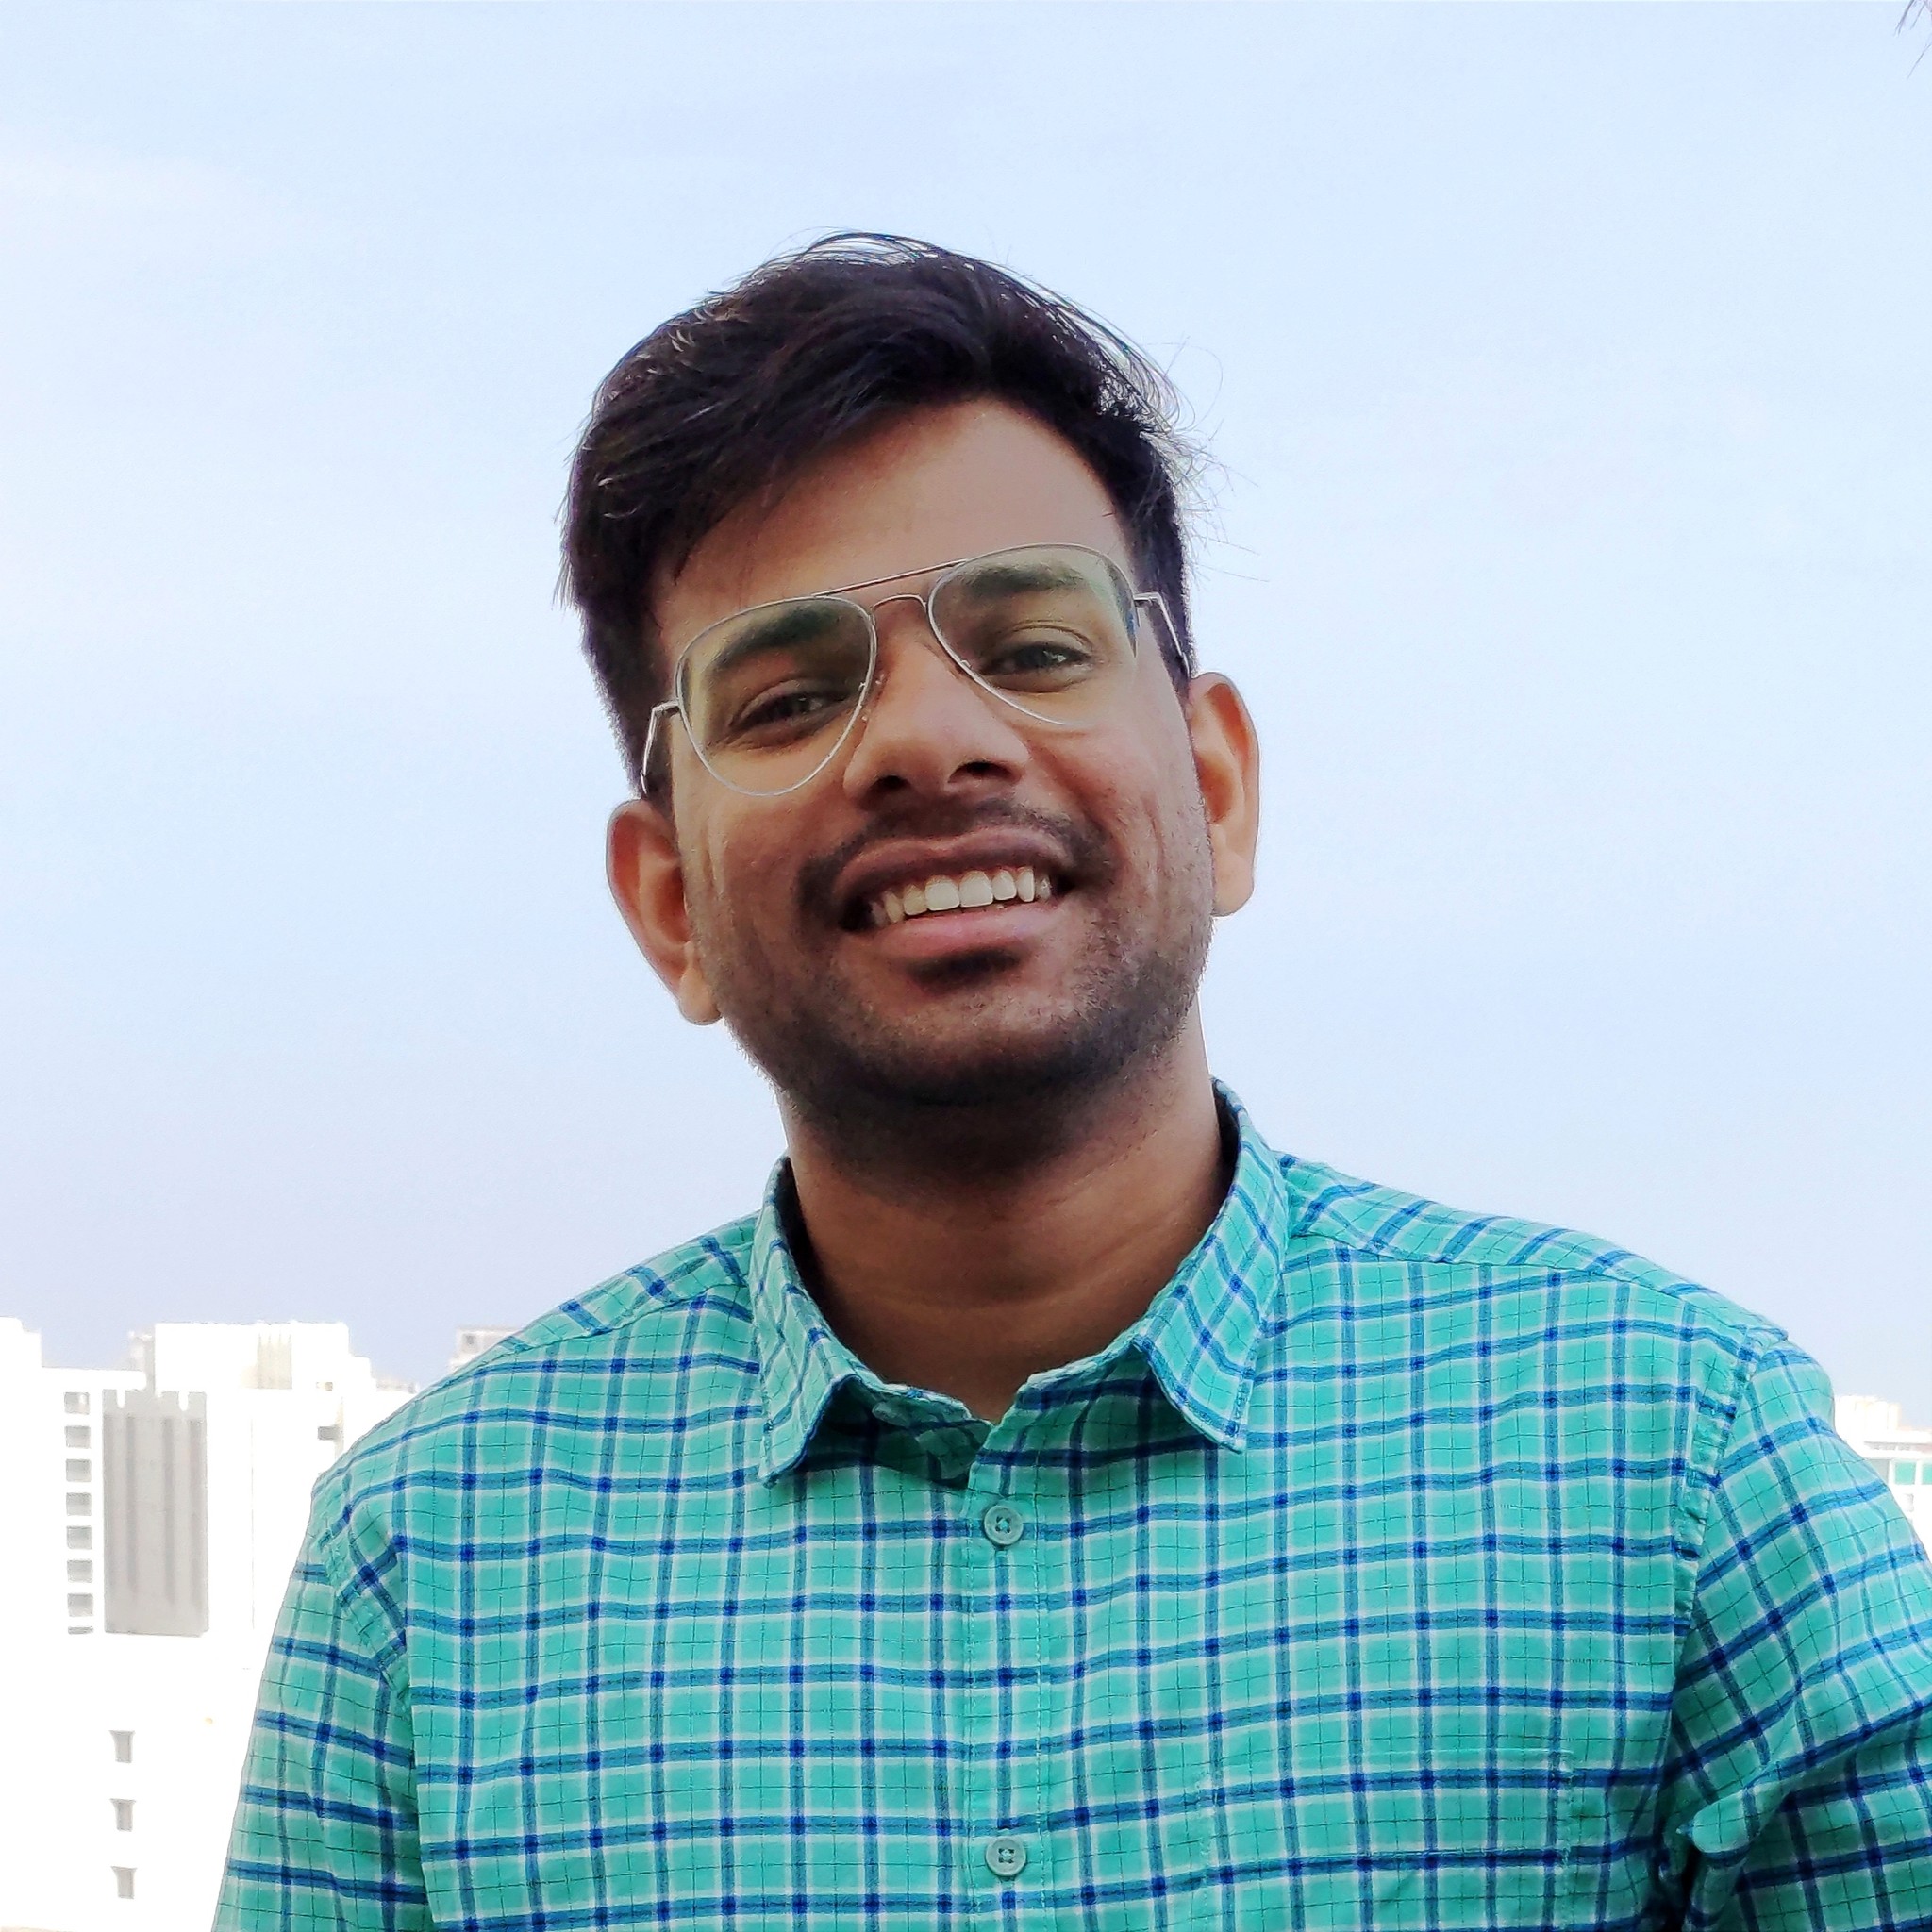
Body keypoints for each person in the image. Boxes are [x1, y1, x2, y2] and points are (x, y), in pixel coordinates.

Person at [217, 236, 1932, 1931]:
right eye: (792, 696)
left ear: (1216, 786)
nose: (927, 741)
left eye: (1034, 648)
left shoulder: (1676, 1460)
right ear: (670, 903)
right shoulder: (428, 1565)